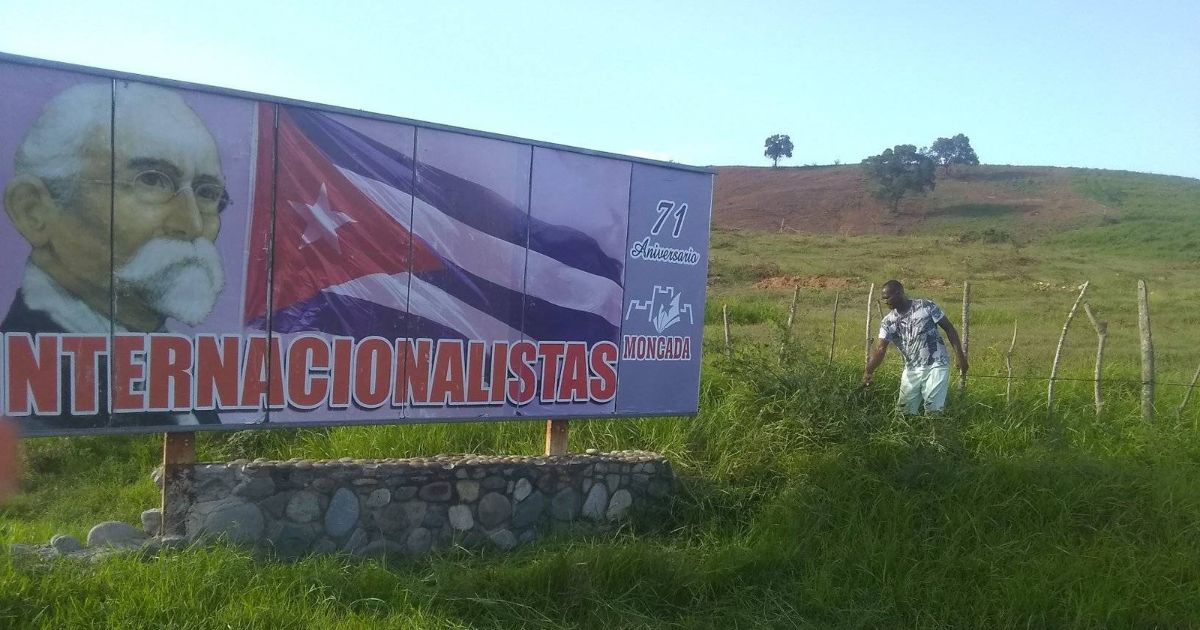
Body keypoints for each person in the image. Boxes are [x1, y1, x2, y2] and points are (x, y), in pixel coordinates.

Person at [2, 81, 228, 429]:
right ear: (33, 209)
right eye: (152, 180)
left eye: (207, 192)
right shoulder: (19, 393)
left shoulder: (185, 372)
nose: (192, 223)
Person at [862, 280, 967, 414]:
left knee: (933, 409)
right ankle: (910, 434)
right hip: (912, 369)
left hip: (937, 363)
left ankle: (937, 434)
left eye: (887, 297)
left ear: (899, 293)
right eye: (883, 299)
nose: (885, 301)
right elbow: (880, 349)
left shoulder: (926, 306)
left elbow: (949, 328)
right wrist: (868, 371)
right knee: (903, 412)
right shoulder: (888, 322)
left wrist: (960, 357)